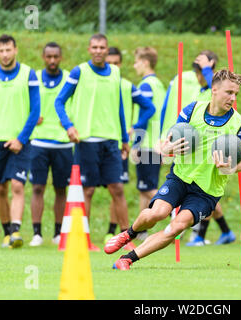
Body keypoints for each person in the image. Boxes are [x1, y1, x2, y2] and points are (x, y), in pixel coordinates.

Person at [104, 69, 241, 270]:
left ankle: (127, 259)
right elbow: (168, 143)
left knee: (177, 227)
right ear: (214, 90)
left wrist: (231, 167)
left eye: (236, 94)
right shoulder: (191, 111)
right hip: (180, 177)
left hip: (207, 191)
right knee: (156, 214)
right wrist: (167, 148)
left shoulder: (239, 124)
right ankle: (129, 233)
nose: (233, 98)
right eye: (229, 92)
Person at [55, 34, 131, 250]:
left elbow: (119, 107)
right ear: (89, 49)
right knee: (87, 190)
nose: (98, 50)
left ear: (107, 50)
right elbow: (59, 101)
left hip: (110, 141)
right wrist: (68, 125)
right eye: (95, 47)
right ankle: (84, 240)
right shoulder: (79, 72)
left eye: (102, 47)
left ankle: (126, 239)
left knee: (117, 188)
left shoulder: (115, 72)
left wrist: (124, 139)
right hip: (86, 140)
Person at [161, 50, 237, 246]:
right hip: (193, 148)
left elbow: (216, 85)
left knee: (206, 192)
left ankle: (201, 236)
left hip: (212, 147)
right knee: (208, 196)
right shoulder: (201, 93)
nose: (198, 77)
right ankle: (224, 232)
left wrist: (206, 68)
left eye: (201, 73)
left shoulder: (217, 91)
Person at [0, 34, 40, 248]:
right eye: (1, 51)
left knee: (17, 185)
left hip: (20, 142)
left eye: (8, 50)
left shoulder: (28, 74)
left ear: (16, 50)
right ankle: (6, 233)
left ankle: (15, 231)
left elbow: (35, 111)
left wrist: (21, 139)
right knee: (0, 188)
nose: (5, 54)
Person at [104, 47, 156, 244]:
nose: (113, 66)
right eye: (110, 63)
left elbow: (149, 107)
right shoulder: (92, 84)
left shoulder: (126, 86)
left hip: (119, 146)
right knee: (89, 189)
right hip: (96, 142)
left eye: (116, 63)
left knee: (116, 187)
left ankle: (114, 231)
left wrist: (134, 129)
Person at [28, 42, 72, 246]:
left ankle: (57, 232)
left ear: (60, 57)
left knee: (61, 189)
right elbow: (23, 102)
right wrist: (30, 116)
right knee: (37, 187)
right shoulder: (34, 77)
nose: (52, 60)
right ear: (43, 57)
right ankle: (37, 233)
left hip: (63, 143)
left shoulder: (69, 78)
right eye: (49, 57)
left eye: (56, 56)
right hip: (38, 142)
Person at [131, 47, 166, 234]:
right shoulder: (158, 84)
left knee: (148, 188)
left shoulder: (145, 86)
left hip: (146, 144)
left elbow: (148, 111)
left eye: (136, 62)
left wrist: (135, 140)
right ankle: (140, 231)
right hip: (156, 143)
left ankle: (175, 212)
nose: (134, 66)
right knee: (144, 188)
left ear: (145, 62)